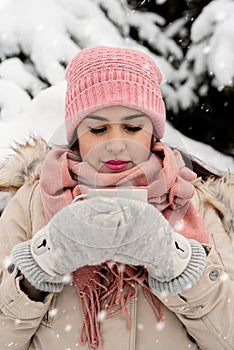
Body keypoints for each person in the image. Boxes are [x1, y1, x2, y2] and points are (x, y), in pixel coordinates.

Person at [0, 46, 233, 350]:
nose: (115, 144)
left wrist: (177, 262)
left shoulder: (195, 203)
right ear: (76, 133)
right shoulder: (32, 203)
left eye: (133, 127)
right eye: (97, 129)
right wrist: (40, 265)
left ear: (153, 131)